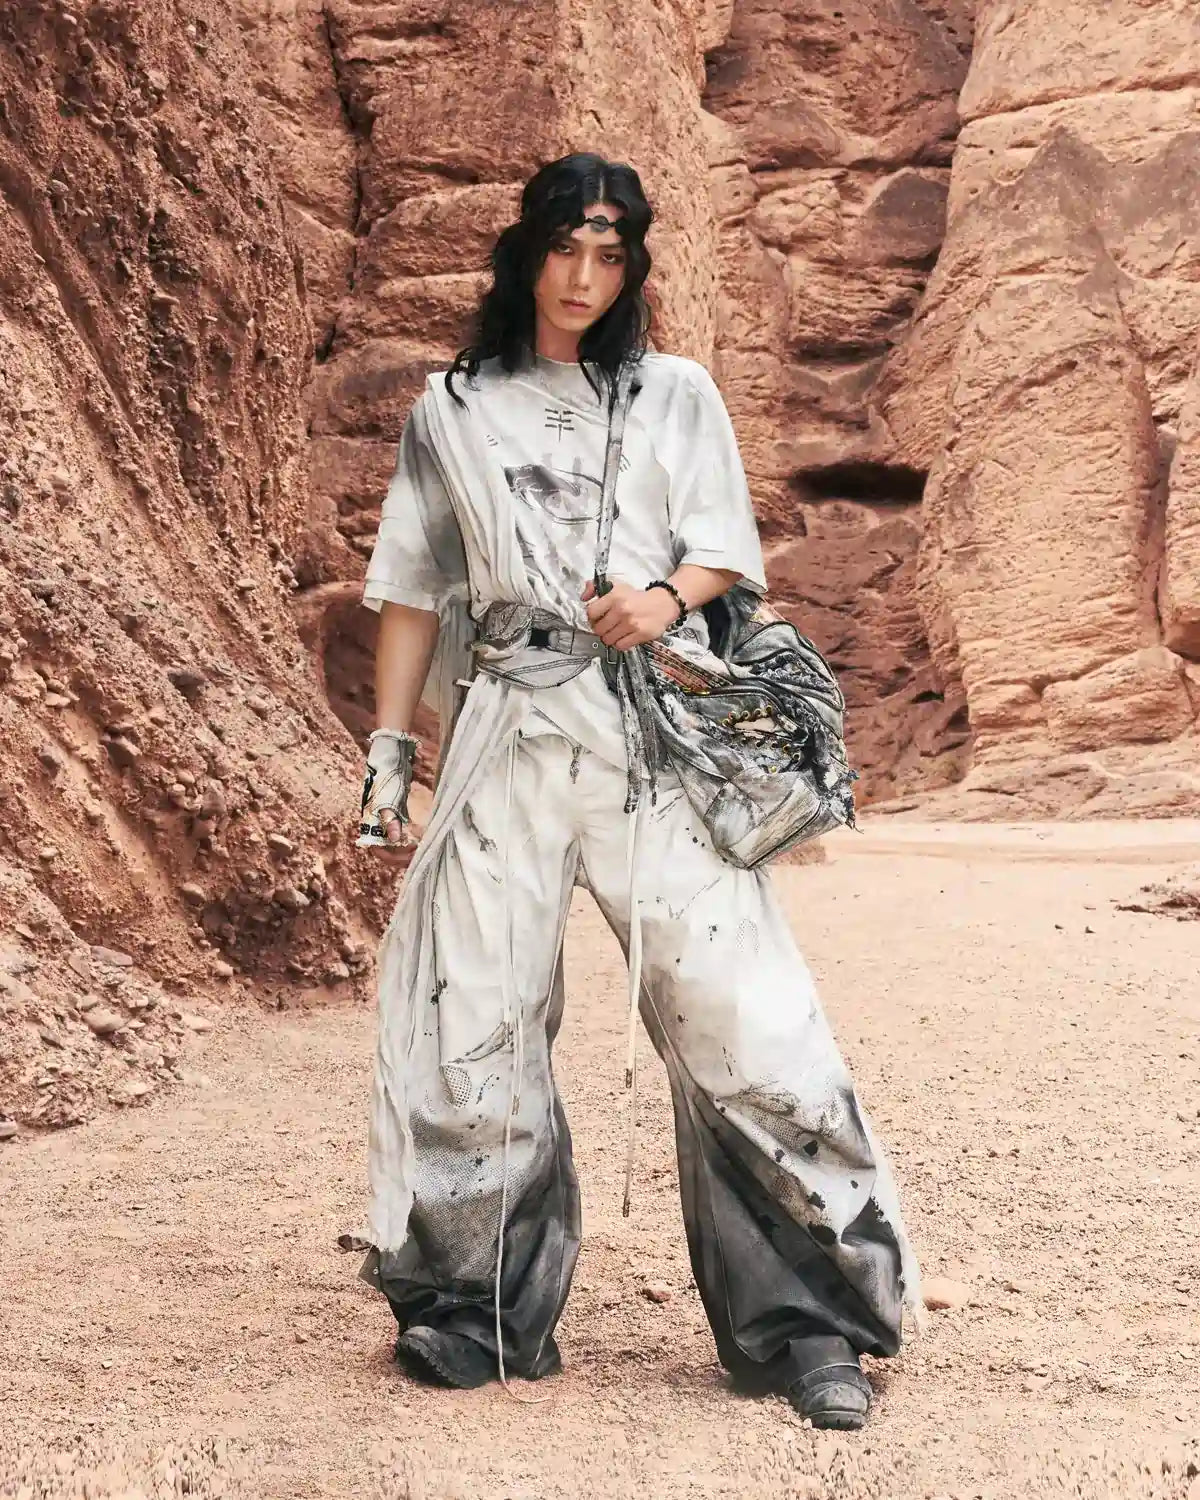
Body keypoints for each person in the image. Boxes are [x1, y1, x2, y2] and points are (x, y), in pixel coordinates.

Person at [354, 152, 921, 1431]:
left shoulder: (677, 392)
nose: (584, 277)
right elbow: (412, 587)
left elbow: (724, 550)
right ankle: (476, 1306)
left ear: (633, 268)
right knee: (474, 1016)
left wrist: (662, 600)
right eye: (565, 248)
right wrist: (391, 752)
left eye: (610, 256)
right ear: (526, 252)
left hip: (647, 731)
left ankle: (808, 1321)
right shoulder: (453, 407)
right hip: (503, 732)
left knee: (740, 1011)